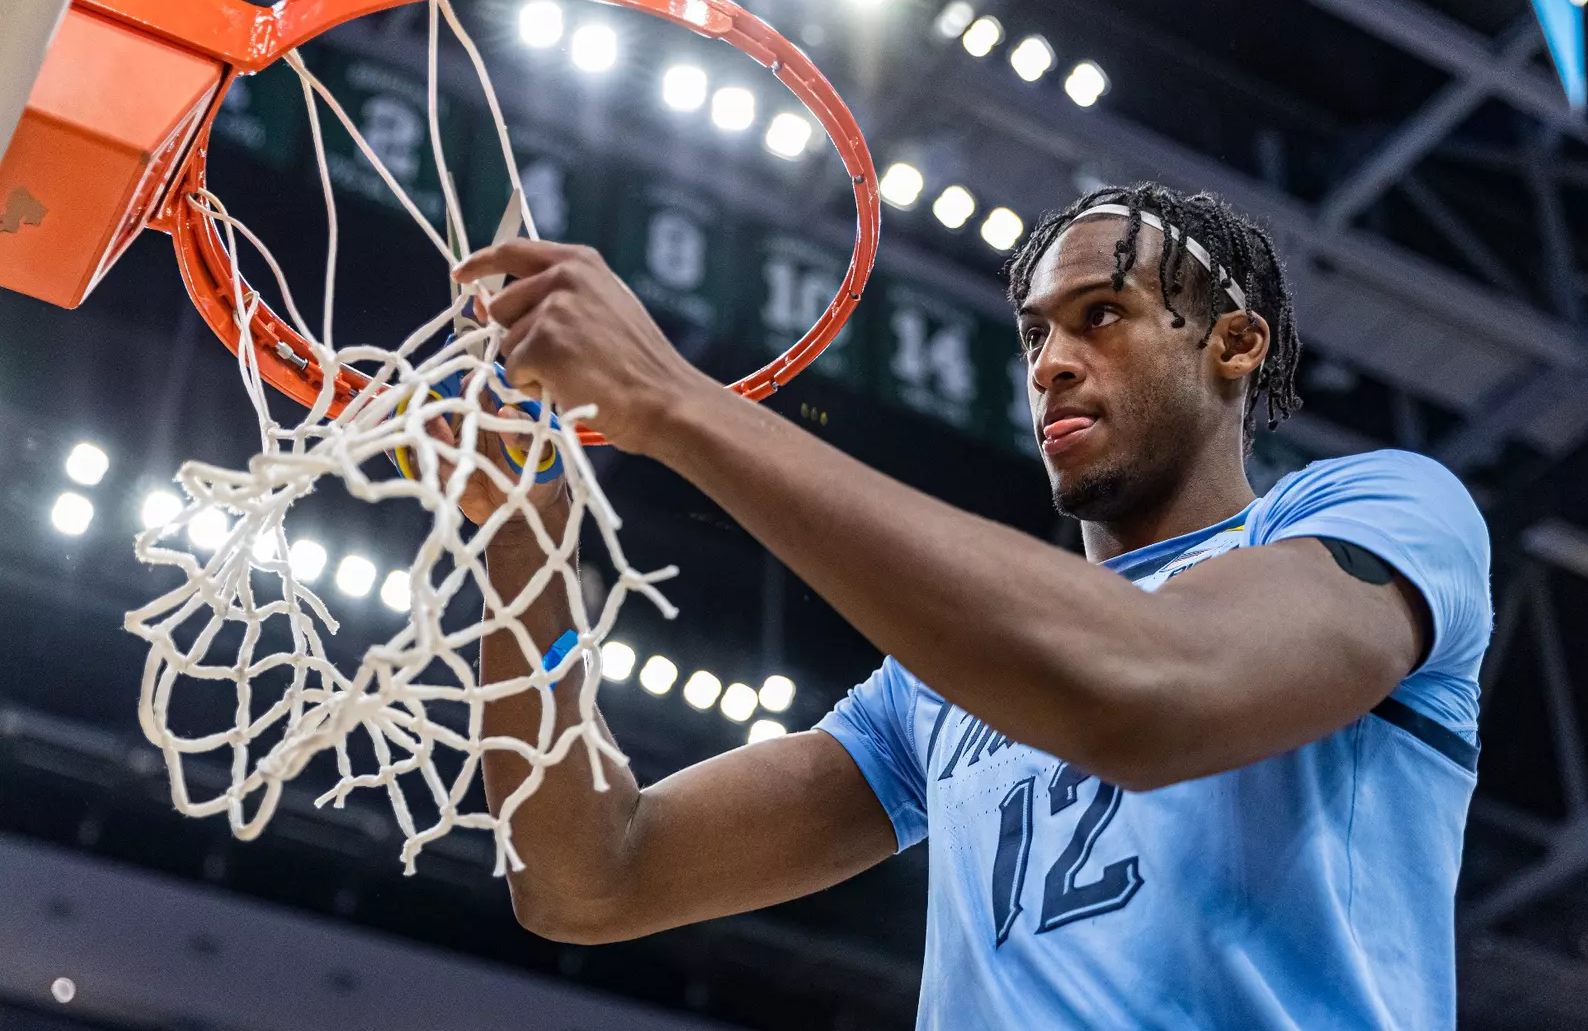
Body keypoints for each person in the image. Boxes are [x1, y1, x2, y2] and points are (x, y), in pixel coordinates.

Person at [440, 181, 1492, 1030]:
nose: (1052, 364)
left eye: (1104, 315)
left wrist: (671, 400)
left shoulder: (1384, 508)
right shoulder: (937, 687)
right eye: (1035, 335)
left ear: (1233, 343)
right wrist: (519, 534)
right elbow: (592, 876)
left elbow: (1157, 691)